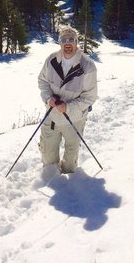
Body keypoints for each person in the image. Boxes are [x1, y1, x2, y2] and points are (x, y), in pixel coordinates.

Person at [38, 25, 97, 173]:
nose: (68, 43)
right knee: (48, 160)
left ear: (77, 42)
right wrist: (48, 99)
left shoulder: (88, 66)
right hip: (51, 116)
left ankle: (70, 189)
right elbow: (43, 82)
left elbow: (89, 97)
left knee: (70, 164)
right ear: (60, 43)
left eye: (71, 39)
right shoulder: (51, 60)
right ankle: (51, 180)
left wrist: (68, 107)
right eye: (64, 40)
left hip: (74, 119)